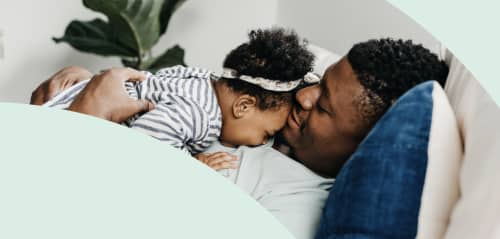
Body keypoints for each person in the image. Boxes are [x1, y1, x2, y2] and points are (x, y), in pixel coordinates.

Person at [30, 38, 448, 239]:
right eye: (318, 82)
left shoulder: (296, 206)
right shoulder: (266, 109)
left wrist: (89, 116)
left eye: (323, 108)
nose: (302, 96)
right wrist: (84, 86)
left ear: (362, 146)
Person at [41, 28, 316, 170]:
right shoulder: (203, 116)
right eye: (266, 132)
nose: (263, 142)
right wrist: (193, 164)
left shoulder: (200, 77)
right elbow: (147, 140)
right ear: (243, 106)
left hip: (70, 99)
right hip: (73, 120)